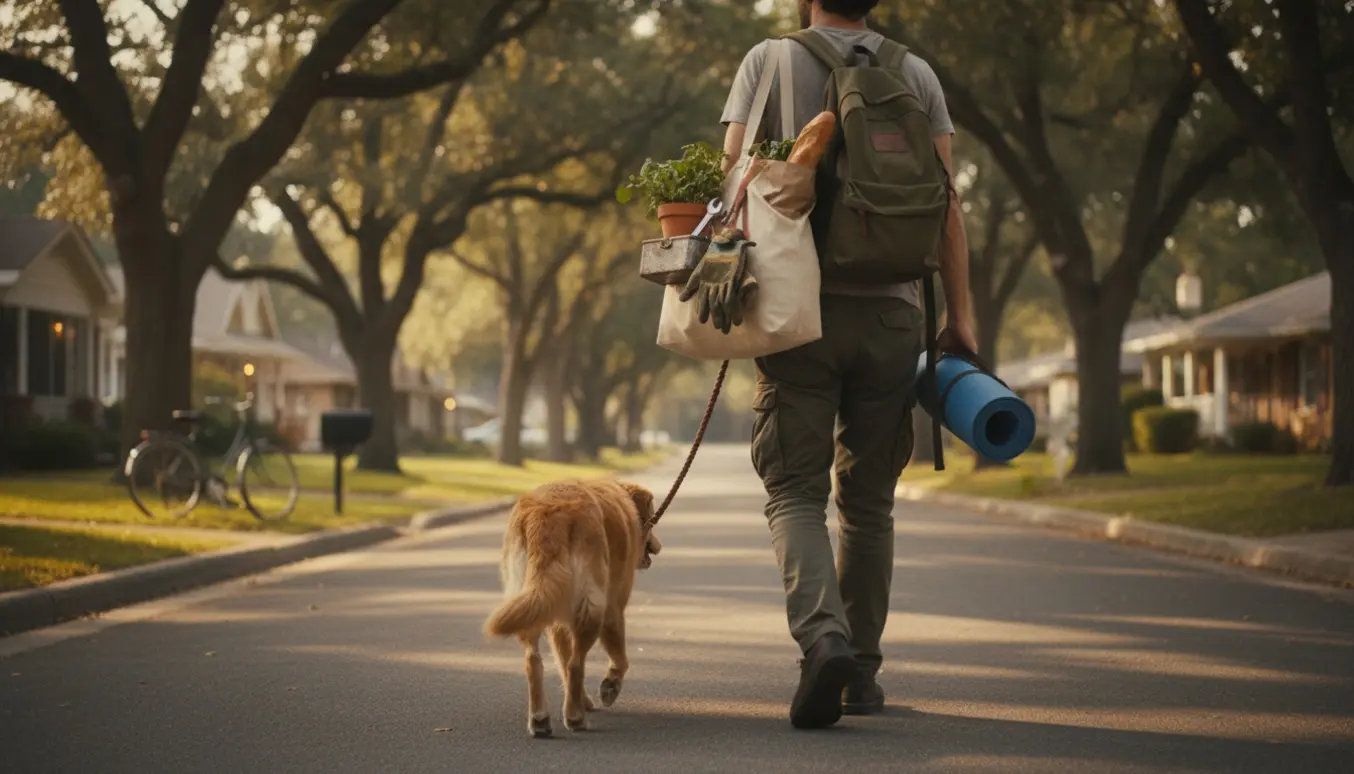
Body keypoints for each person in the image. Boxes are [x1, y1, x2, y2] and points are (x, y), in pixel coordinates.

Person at [719, 0, 977, 729]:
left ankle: (823, 639)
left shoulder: (769, 62)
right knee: (868, 502)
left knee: (795, 491)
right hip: (895, 314)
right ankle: (860, 671)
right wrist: (960, 318)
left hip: (797, 312)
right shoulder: (915, 73)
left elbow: (733, 179)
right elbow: (947, 206)